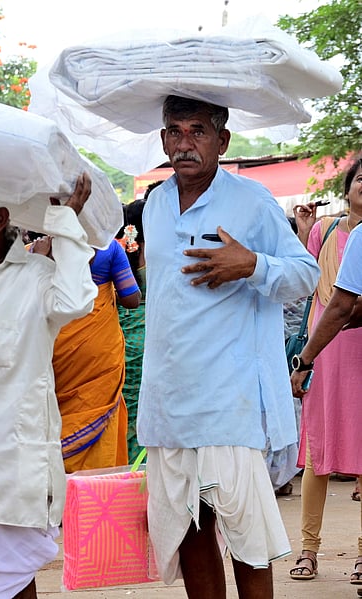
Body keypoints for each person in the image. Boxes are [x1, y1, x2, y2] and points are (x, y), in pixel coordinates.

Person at [137, 95, 319, 599]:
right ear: (163, 141)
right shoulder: (155, 203)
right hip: (168, 403)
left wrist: (252, 265)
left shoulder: (251, 200)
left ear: (223, 141)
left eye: (198, 131)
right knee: (190, 535)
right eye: (175, 131)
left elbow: (307, 273)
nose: (184, 143)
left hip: (229, 402)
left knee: (246, 542)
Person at [0, 173, 96, 598]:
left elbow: (76, 300)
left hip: (10, 474)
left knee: (8, 585)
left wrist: (65, 221)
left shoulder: (35, 277)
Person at [288, 156, 362, 585]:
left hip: (356, 346)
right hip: (326, 349)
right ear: (348, 186)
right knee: (317, 453)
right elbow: (307, 281)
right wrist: (303, 234)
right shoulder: (326, 230)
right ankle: (308, 550)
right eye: (360, 178)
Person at [54, 239, 139, 473]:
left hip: (55, 352)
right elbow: (131, 299)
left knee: (54, 419)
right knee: (100, 423)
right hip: (99, 355)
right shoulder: (109, 248)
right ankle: (95, 495)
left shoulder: (41, 248)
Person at [115, 184, 158, 462]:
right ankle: (146, 472)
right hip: (152, 339)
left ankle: (126, 467)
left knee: (127, 410)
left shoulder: (119, 252)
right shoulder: (159, 253)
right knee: (150, 410)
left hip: (121, 342)